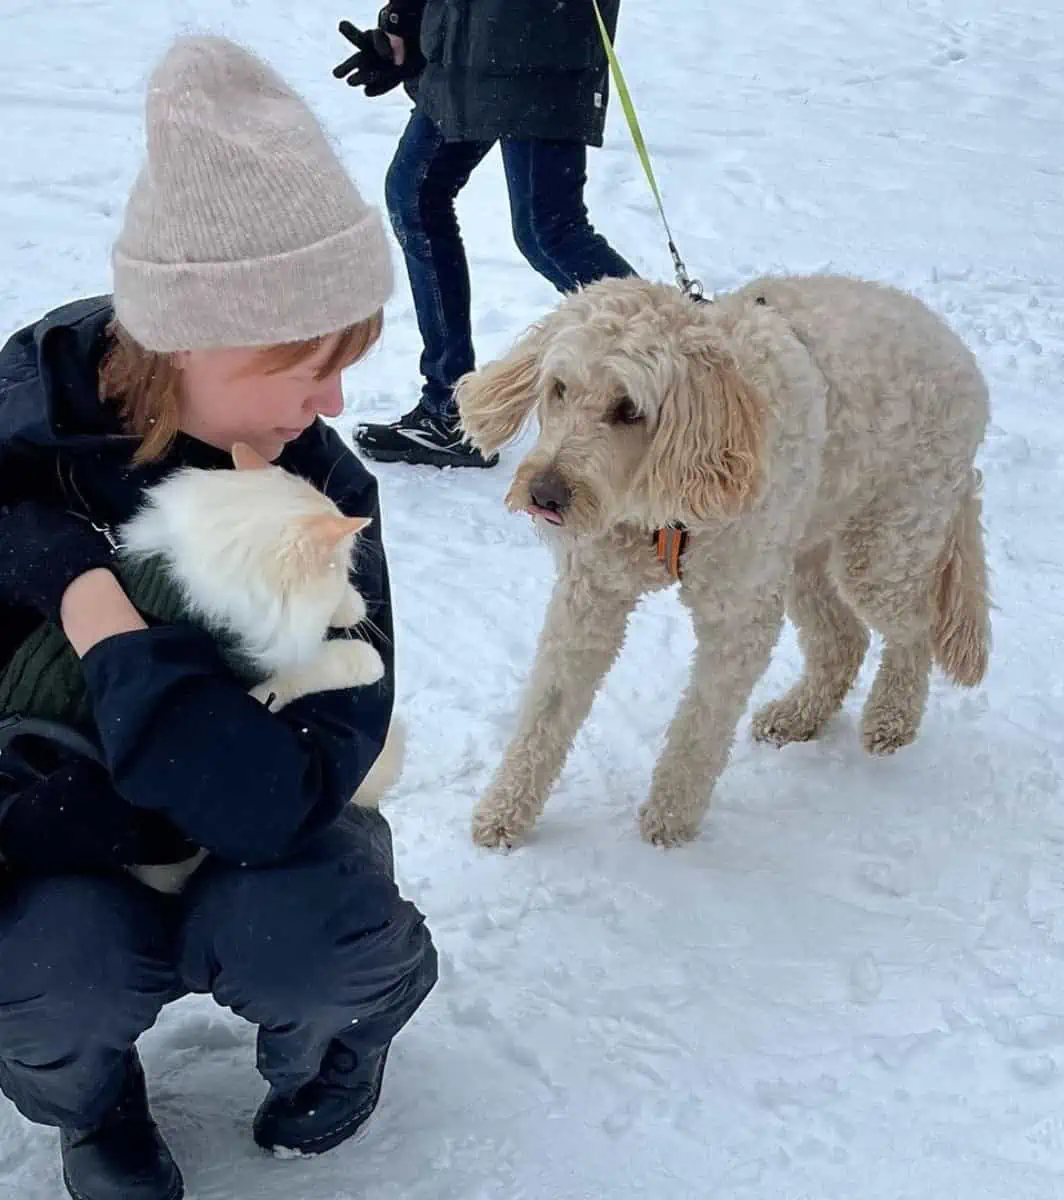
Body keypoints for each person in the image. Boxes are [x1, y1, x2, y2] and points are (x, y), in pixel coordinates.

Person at [0, 37, 437, 1200]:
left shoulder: (323, 492)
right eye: (308, 361)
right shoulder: (18, 462)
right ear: (189, 338)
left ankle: (339, 1040)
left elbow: (288, 793)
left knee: (315, 932)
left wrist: (94, 610)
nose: (336, 402)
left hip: (260, 838)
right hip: (58, 845)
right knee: (46, 973)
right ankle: (92, 1107)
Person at [335, 0, 637, 469]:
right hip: (468, 40)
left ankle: (686, 356)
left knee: (548, 229)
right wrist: (408, 20)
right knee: (415, 196)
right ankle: (450, 409)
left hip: (537, 41)